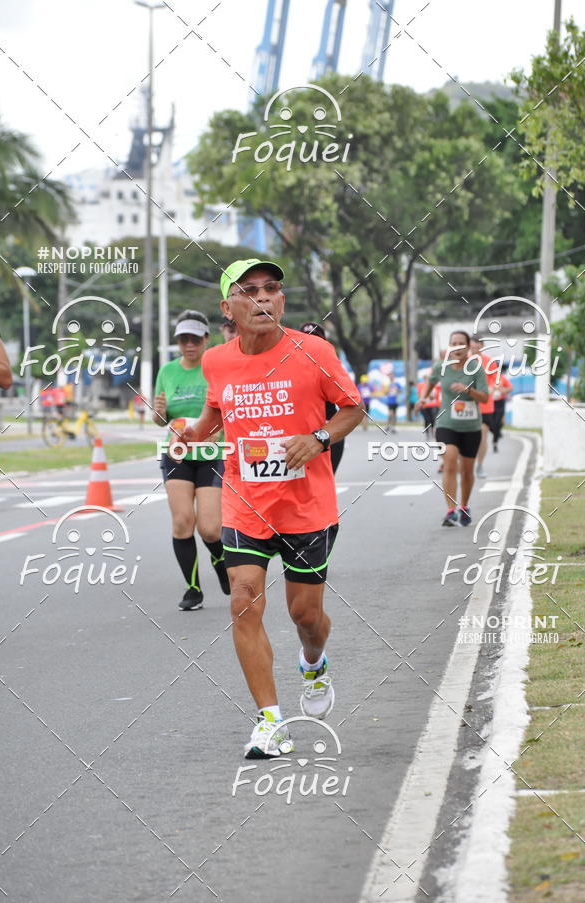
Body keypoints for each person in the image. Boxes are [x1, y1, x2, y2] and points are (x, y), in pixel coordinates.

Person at [176, 259, 363, 758]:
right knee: (243, 600)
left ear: (281, 299)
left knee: (306, 615)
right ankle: (270, 722)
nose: (263, 299)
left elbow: (352, 408)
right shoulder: (217, 360)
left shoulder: (313, 351)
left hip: (306, 507)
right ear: (228, 307)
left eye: (272, 289)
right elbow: (216, 411)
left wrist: (319, 437)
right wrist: (193, 432)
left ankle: (314, 662)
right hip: (245, 503)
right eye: (249, 291)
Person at [153, 310, 230, 611]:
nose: (189, 344)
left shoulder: (216, 367)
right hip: (177, 452)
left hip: (211, 452)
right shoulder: (167, 371)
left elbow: (228, 410)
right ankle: (193, 588)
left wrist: (216, 431)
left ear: (206, 339)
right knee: (183, 521)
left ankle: (221, 561)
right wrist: (159, 413)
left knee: (210, 529)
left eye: (195, 339)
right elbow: (160, 419)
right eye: (184, 339)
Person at [416, 330, 488, 527]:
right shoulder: (441, 366)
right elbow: (430, 383)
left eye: (461, 343)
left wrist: (468, 390)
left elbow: (485, 397)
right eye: (453, 343)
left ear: (467, 347)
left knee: (467, 470)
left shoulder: (476, 368)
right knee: (449, 462)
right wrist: (423, 399)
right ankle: (450, 510)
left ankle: (464, 506)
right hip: (446, 423)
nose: (457, 347)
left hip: (471, 426)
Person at [299, 321, 345, 475]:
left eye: (315, 339)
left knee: (327, 481)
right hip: (299, 435)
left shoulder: (331, 366)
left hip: (327, 431)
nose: (310, 344)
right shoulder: (287, 366)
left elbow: (352, 405)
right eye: (305, 339)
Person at [469, 337, 498, 479]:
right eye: (472, 348)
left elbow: (496, 380)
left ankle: (479, 466)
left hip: (485, 405)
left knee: (482, 437)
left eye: (477, 348)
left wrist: (491, 388)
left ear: (482, 346)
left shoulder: (489, 362)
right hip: (467, 406)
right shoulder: (463, 362)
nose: (475, 351)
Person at [490, 364, 512, 450]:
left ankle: (495, 442)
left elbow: (510, 388)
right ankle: (497, 433)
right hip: (490, 403)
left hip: (500, 402)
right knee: (491, 423)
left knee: (498, 421)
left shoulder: (503, 378)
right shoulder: (489, 378)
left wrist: (502, 390)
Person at [417, 371, 440, 439]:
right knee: (426, 419)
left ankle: (432, 433)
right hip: (423, 405)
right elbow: (419, 394)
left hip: (431, 405)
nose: (427, 379)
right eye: (425, 378)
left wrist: (431, 395)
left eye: (428, 378)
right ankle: (427, 433)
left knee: (432, 420)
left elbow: (434, 396)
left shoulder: (433, 385)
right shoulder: (420, 385)